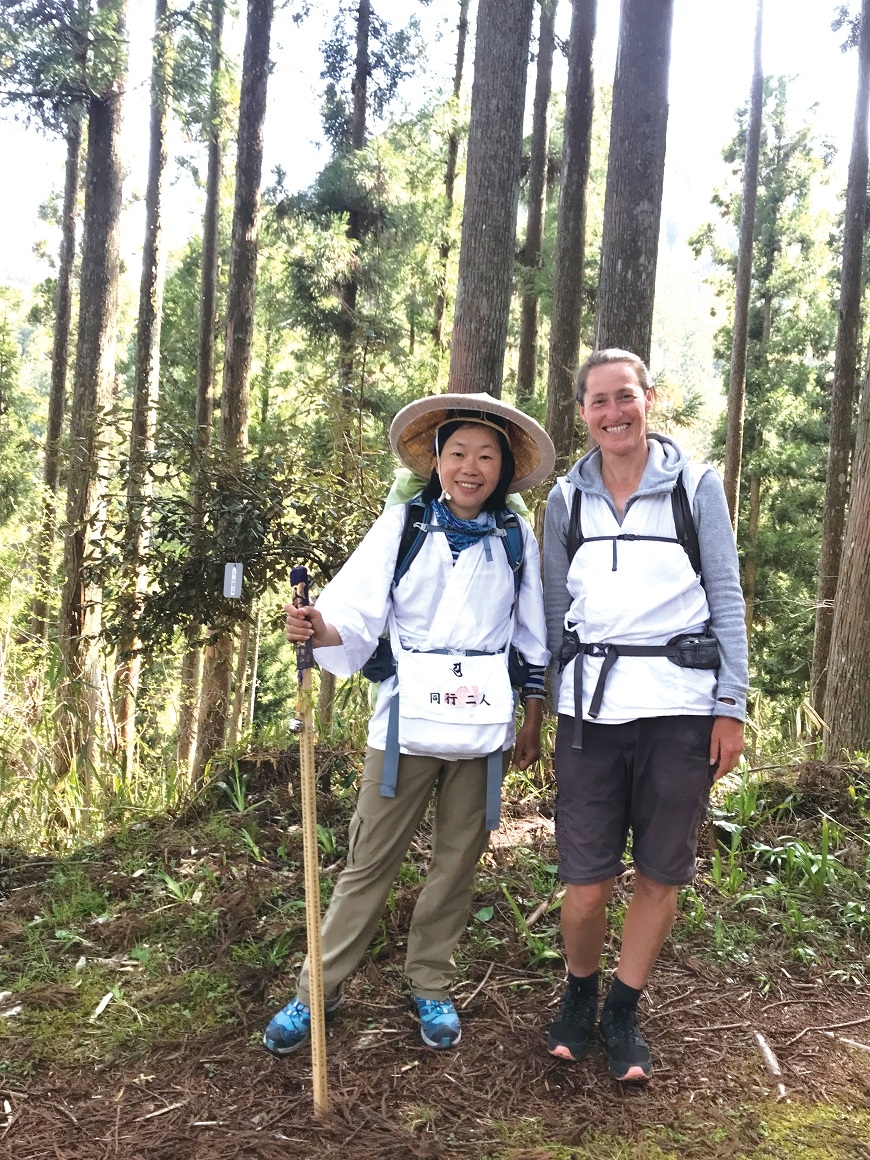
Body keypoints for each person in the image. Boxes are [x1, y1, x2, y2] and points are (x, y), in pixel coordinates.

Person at [264, 392, 554, 1055]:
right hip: (405, 725)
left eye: (486, 455)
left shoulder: (515, 536)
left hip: (482, 726)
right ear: (437, 460)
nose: (470, 467)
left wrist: (531, 720)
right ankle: (318, 990)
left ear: (504, 469)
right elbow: (358, 611)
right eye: (458, 453)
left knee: (457, 864)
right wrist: (317, 627)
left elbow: (530, 634)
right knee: (368, 862)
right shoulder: (404, 526)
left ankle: (430, 981)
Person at [542, 349, 748, 1082]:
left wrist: (731, 706)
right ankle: (579, 991)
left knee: (661, 870)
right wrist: (543, 703)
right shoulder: (565, 500)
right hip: (590, 713)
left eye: (624, 397)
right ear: (583, 413)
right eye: (599, 401)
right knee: (587, 880)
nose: (614, 413)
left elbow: (725, 597)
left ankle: (624, 1007)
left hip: (681, 711)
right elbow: (551, 611)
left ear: (648, 399)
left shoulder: (695, 486)